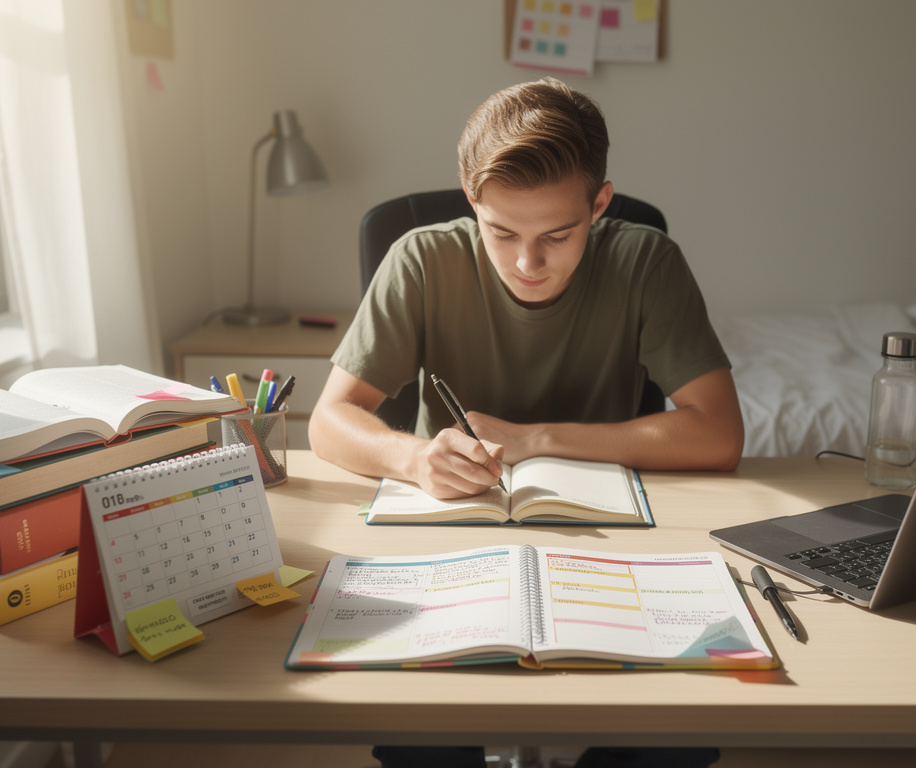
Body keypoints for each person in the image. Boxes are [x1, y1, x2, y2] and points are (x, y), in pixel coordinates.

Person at [308, 77, 739, 768]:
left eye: (558, 234)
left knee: (679, 731)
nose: (527, 262)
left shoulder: (646, 261)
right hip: (448, 547)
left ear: (599, 203)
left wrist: (536, 438)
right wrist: (415, 459)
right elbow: (329, 421)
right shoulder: (421, 258)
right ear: (471, 200)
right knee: (415, 733)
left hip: (609, 548)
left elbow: (718, 435)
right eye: (501, 231)